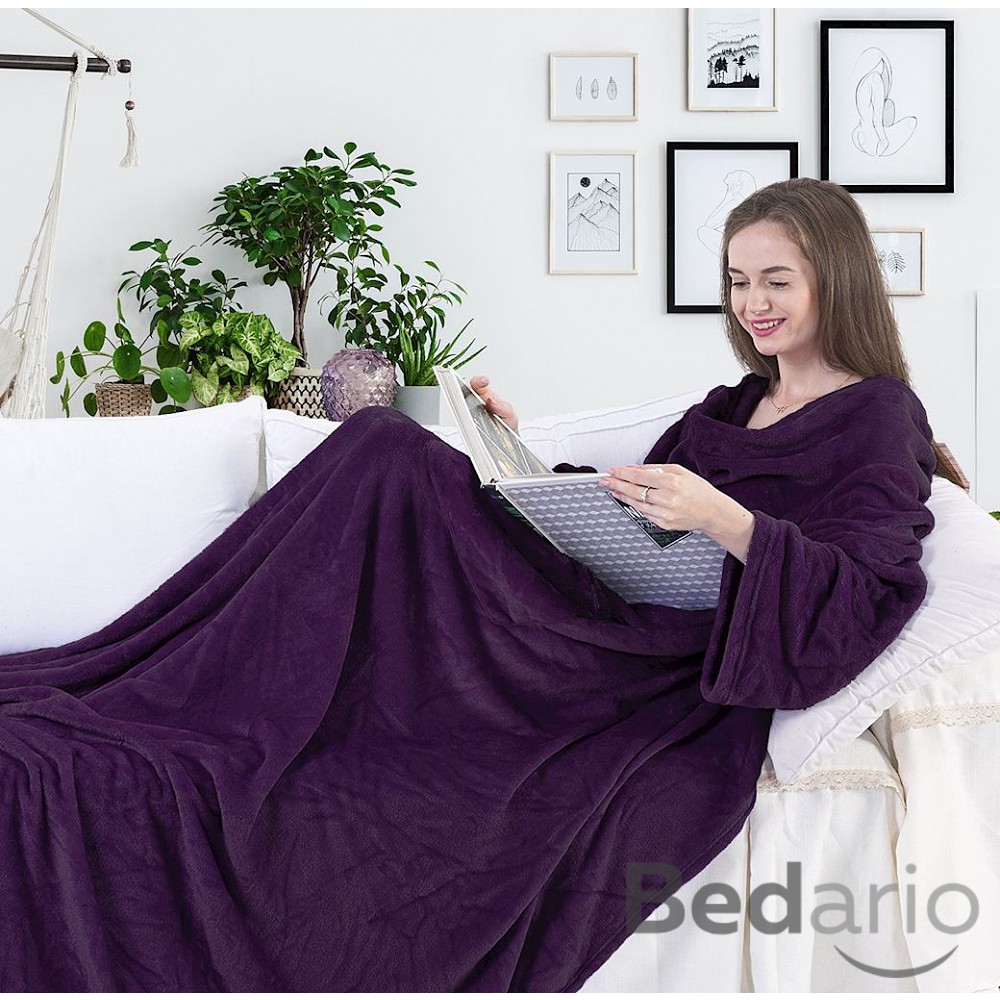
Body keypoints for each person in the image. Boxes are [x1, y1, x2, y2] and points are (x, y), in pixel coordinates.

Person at [0, 179, 939, 992]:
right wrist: (514, 452)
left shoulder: (879, 417)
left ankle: (207, 688)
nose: (753, 304)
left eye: (777, 280)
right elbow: (628, 516)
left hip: (660, 666)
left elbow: (869, 590)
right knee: (381, 446)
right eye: (738, 282)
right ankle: (197, 682)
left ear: (835, 277)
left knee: (385, 446)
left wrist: (731, 522)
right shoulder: (731, 406)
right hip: (598, 607)